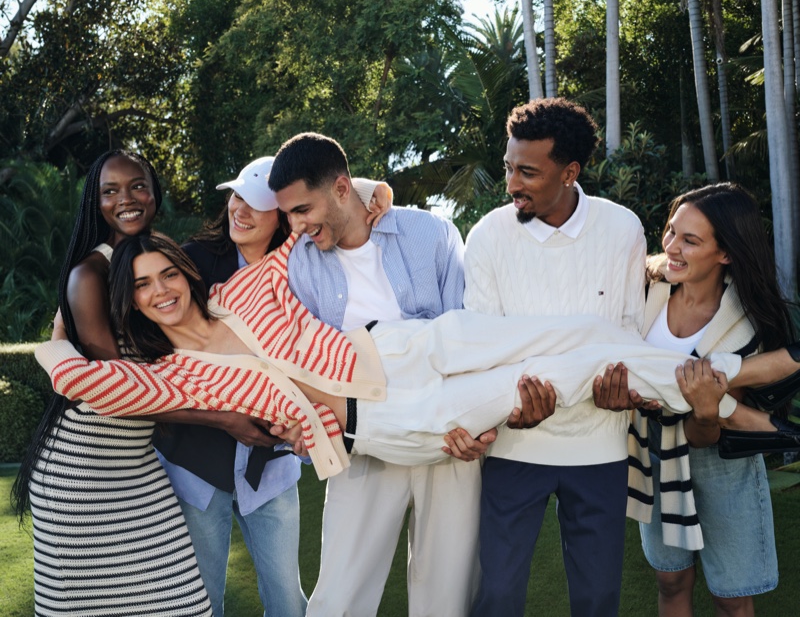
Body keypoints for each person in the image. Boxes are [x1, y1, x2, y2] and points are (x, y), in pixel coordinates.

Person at [34, 231, 800, 478]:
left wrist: (375, 190)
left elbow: (318, 211)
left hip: (401, 347)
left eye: (168, 272)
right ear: (131, 302)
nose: (162, 289)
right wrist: (78, 293)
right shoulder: (163, 376)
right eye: (143, 286)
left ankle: (734, 394)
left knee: (571, 330)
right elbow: (75, 377)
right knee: (563, 374)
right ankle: (742, 386)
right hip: (388, 418)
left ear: (186, 271)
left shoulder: (245, 287)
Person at [152, 155, 392, 617]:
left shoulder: (305, 263)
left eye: (256, 203)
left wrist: (375, 191)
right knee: (203, 600)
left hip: (274, 464)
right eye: (236, 196)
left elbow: (331, 191)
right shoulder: (193, 262)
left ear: (283, 213)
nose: (239, 209)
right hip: (199, 463)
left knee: (286, 599)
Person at [267, 132, 484, 617]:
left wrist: (474, 422)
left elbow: (468, 336)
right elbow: (303, 359)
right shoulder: (299, 264)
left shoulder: (431, 233)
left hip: (446, 434)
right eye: (288, 215)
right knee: (338, 599)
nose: (296, 226)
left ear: (343, 188)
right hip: (361, 436)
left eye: (303, 210)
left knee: (447, 597)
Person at [464, 97, 649, 617]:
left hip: (600, 447)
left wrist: (625, 393)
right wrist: (512, 406)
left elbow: (630, 333)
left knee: (597, 599)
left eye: (527, 172)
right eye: (508, 168)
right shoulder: (486, 237)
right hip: (514, 446)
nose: (511, 184)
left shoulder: (623, 229)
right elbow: (480, 346)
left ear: (570, 172)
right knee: (498, 596)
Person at [11, 150, 214, 616]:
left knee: (182, 603)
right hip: (79, 474)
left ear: (155, 192)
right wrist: (221, 418)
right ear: (94, 202)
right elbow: (119, 390)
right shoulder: (90, 274)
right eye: (110, 191)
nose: (127, 199)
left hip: (136, 467)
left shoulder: (149, 261)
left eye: (138, 186)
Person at [630, 183, 792, 616]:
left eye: (690, 240)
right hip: (655, 454)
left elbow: (707, 432)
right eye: (670, 231)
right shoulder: (645, 289)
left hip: (722, 462)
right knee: (670, 580)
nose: (672, 246)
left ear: (726, 254)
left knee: (732, 597)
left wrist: (705, 409)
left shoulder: (745, 325)